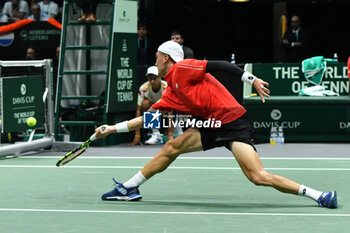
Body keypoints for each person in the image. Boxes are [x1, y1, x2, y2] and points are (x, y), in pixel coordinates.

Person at [94, 40, 338, 209]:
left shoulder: (183, 68)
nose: (154, 58)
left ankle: (319, 195)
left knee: (258, 176)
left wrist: (250, 79)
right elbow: (148, 118)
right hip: (210, 125)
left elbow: (220, 65)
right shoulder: (171, 91)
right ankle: (129, 188)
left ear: (165, 57)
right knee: (171, 148)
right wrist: (112, 129)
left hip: (233, 123)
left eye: (157, 55)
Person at [129, 66, 169, 146]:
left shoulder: (167, 87)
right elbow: (138, 110)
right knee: (145, 104)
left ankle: (172, 133)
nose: (152, 81)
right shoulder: (143, 88)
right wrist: (137, 135)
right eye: (150, 78)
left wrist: (169, 134)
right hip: (154, 110)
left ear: (160, 77)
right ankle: (156, 134)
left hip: (166, 109)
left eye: (155, 78)